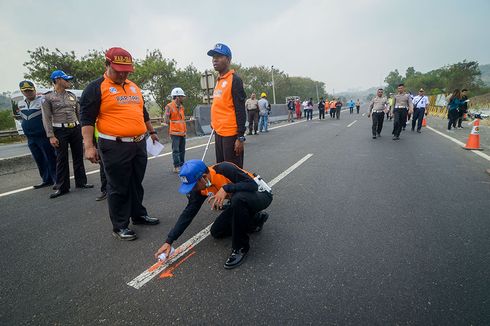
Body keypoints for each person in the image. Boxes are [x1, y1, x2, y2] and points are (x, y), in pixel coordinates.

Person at [80, 47, 160, 241]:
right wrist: (89, 146)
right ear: (107, 65)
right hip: (114, 146)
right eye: (118, 70)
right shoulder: (96, 88)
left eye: (126, 71)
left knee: (135, 183)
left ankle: (138, 215)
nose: (123, 74)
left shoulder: (133, 87)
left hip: (139, 143)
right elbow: (87, 119)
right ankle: (120, 225)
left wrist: (151, 132)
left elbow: (144, 113)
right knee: (118, 186)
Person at [154, 159, 273, 269]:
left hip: (262, 195)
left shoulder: (225, 169)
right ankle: (256, 219)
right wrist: (169, 241)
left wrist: (226, 188)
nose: (192, 189)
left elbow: (252, 185)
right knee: (217, 231)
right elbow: (188, 213)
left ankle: (240, 248)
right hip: (241, 201)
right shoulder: (200, 188)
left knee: (238, 199)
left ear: (203, 177)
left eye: (193, 185)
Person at [42, 70, 93, 198]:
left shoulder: (72, 96)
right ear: (57, 80)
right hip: (60, 130)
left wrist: (82, 130)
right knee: (61, 159)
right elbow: (46, 118)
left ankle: (81, 182)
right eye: (66, 79)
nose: (68, 82)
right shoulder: (47, 97)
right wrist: (51, 136)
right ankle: (62, 187)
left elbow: (78, 114)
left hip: (75, 128)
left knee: (78, 156)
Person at [208, 43, 247, 168]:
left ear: (228, 59)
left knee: (233, 171)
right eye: (213, 56)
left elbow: (240, 110)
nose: (214, 59)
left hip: (230, 134)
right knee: (221, 169)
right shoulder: (219, 80)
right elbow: (221, 104)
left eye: (219, 56)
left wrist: (240, 137)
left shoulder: (235, 80)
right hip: (218, 132)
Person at [17, 81, 57, 189]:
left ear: (34, 89)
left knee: (50, 157)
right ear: (22, 92)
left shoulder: (42, 100)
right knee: (39, 159)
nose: (28, 92)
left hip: (43, 135)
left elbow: (49, 117)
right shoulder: (20, 104)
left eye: (30, 90)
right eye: (25, 91)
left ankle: (57, 179)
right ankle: (46, 179)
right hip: (30, 137)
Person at [165, 87, 187, 173]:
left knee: (182, 150)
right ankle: (176, 166)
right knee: (176, 150)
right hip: (174, 133)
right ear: (177, 97)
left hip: (182, 132)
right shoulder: (169, 106)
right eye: (182, 96)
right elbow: (166, 120)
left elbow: (182, 120)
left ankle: (182, 164)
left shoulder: (181, 107)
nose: (183, 98)